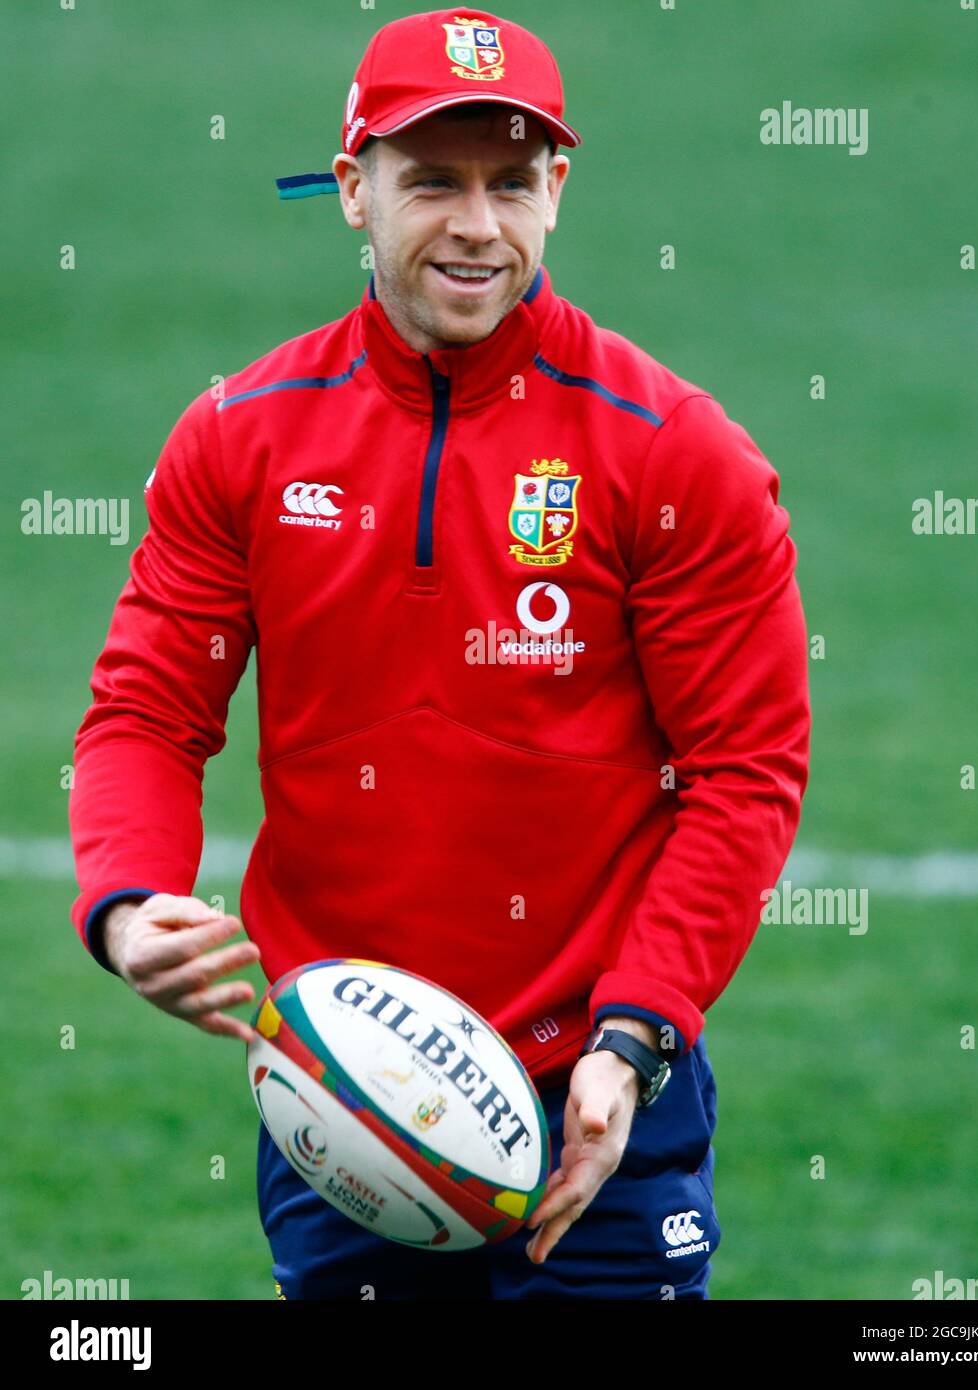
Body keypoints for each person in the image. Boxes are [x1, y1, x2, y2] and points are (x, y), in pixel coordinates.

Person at [69, 7, 810, 1301]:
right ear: (352, 189)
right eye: (433, 181)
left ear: (556, 193)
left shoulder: (671, 452)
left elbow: (742, 769)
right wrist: (131, 901)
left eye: (511, 182)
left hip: (600, 1090)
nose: (477, 226)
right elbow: (145, 711)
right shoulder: (239, 439)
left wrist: (632, 1033)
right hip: (343, 1092)